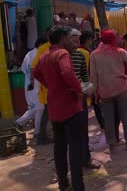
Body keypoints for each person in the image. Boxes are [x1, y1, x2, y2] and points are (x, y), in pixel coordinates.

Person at [33, 25, 85, 191]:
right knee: (75, 148)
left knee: (60, 148)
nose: (72, 41)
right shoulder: (62, 53)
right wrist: (79, 89)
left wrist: (49, 84)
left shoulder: (44, 56)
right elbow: (68, 72)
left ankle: (64, 184)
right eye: (70, 38)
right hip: (70, 106)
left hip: (54, 107)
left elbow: (36, 73)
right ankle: (78, 186)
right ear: (63, 38)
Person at [90, 30, 127, 152]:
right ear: (113, 39)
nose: (120, 39)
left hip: (104, 90)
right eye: (117, 37)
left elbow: (94, 77)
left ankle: (112, 145)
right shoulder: (119, 52)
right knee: (125, 116)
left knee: (108, 119)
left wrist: (96, 93)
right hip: (121, 87)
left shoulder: (94, 55)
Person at [70, 29, 101, 170]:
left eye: (78, 39)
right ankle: (74, 162)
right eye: (73, 39)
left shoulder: (81, 55)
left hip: (80, 99)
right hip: (66, 101)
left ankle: (85, 159)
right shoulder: (58, 56)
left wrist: (88, 90)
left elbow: (85, 76)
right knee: (69, 134)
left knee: (82, 131)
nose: (76, 42)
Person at [14, 38, 47, 140]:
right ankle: (37, 133)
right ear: (41, 44)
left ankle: (19, 123)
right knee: (39, 108)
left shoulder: (29, 54)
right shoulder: (39, 54)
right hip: (36, 86)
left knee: (35, 109)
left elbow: (24, 69)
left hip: (29, 85)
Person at [31, 27, 53, 145]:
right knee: (47, 110)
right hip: (47, 87)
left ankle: (44, 135)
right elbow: (34, 68)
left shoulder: (60, 47)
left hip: (54, 86)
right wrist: (45, 82)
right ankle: (42, 136)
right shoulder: (43, 49)